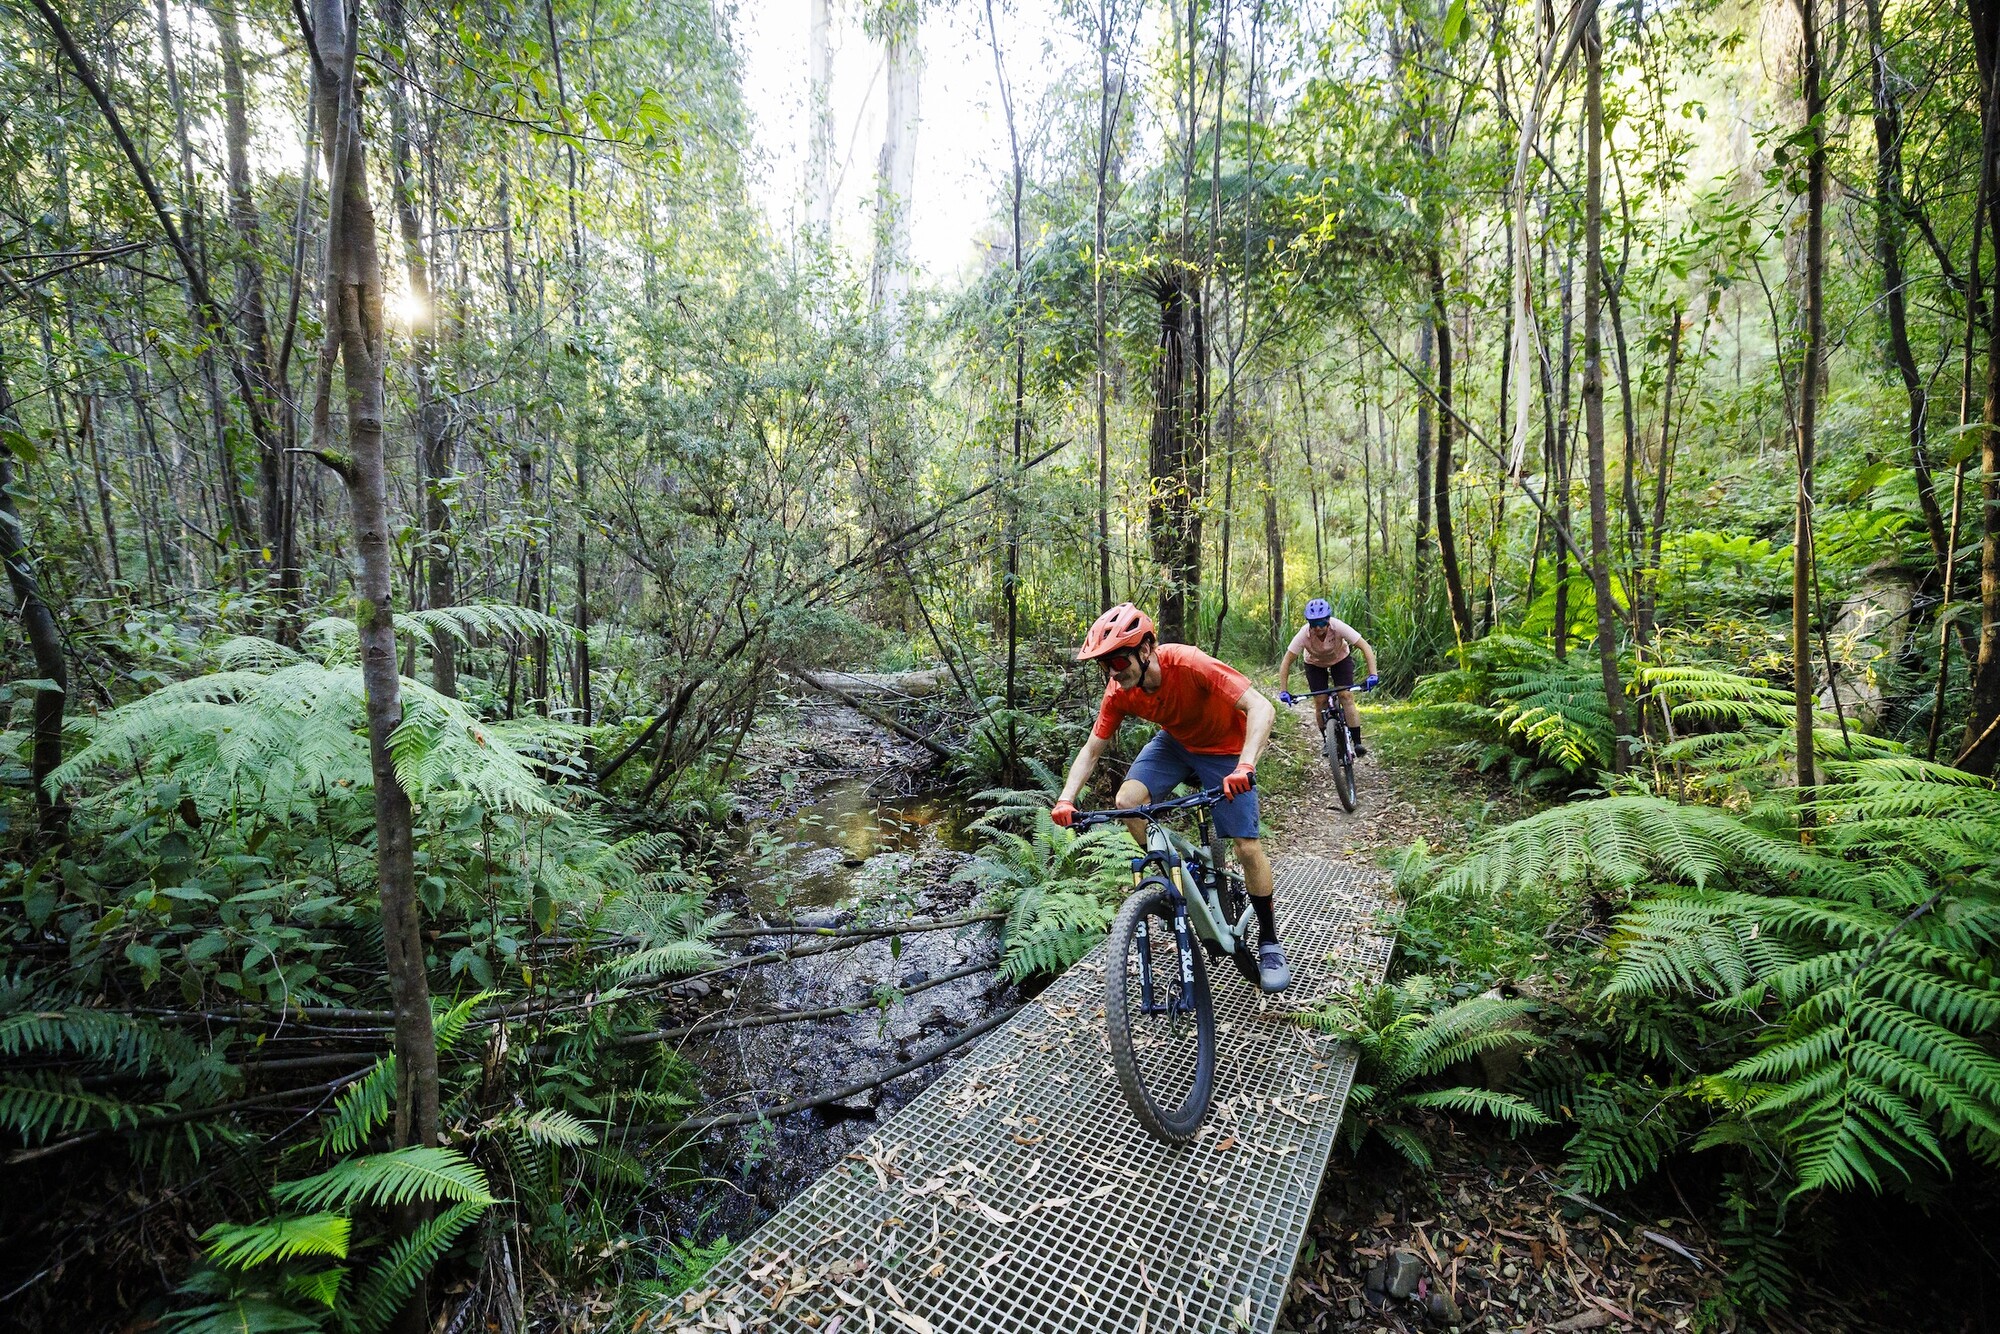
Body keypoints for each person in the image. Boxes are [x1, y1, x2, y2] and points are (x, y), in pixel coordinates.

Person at [1048, 603, 1290, 992]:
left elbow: (1261, 707)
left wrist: (1245, 765)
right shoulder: (1120, 691)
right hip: (1176, 744)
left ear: (1146, 649)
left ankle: (1269, 939)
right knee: (1127, 801)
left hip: (1227, 748)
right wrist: (1065, 799)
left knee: (1246, 847)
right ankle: (1178, 871)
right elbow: (1092, 749)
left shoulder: (1190, 663)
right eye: (1105, 665)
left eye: (1118, 661)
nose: (1113, 673)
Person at [1276, 598, 1379, 756]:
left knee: (1345, 695)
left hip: (1340, 659)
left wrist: (1373, 674)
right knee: (1320, 700)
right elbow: (1286, 662)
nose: (1319, 628)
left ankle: (1357, 742)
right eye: (1314, 624)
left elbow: (1364, 646)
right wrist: (1283, 690)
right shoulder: (1303, 634)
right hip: (1314, 664)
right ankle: (1327, 741)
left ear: (1328, 621)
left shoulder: (1338, 626)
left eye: (1322, 623)